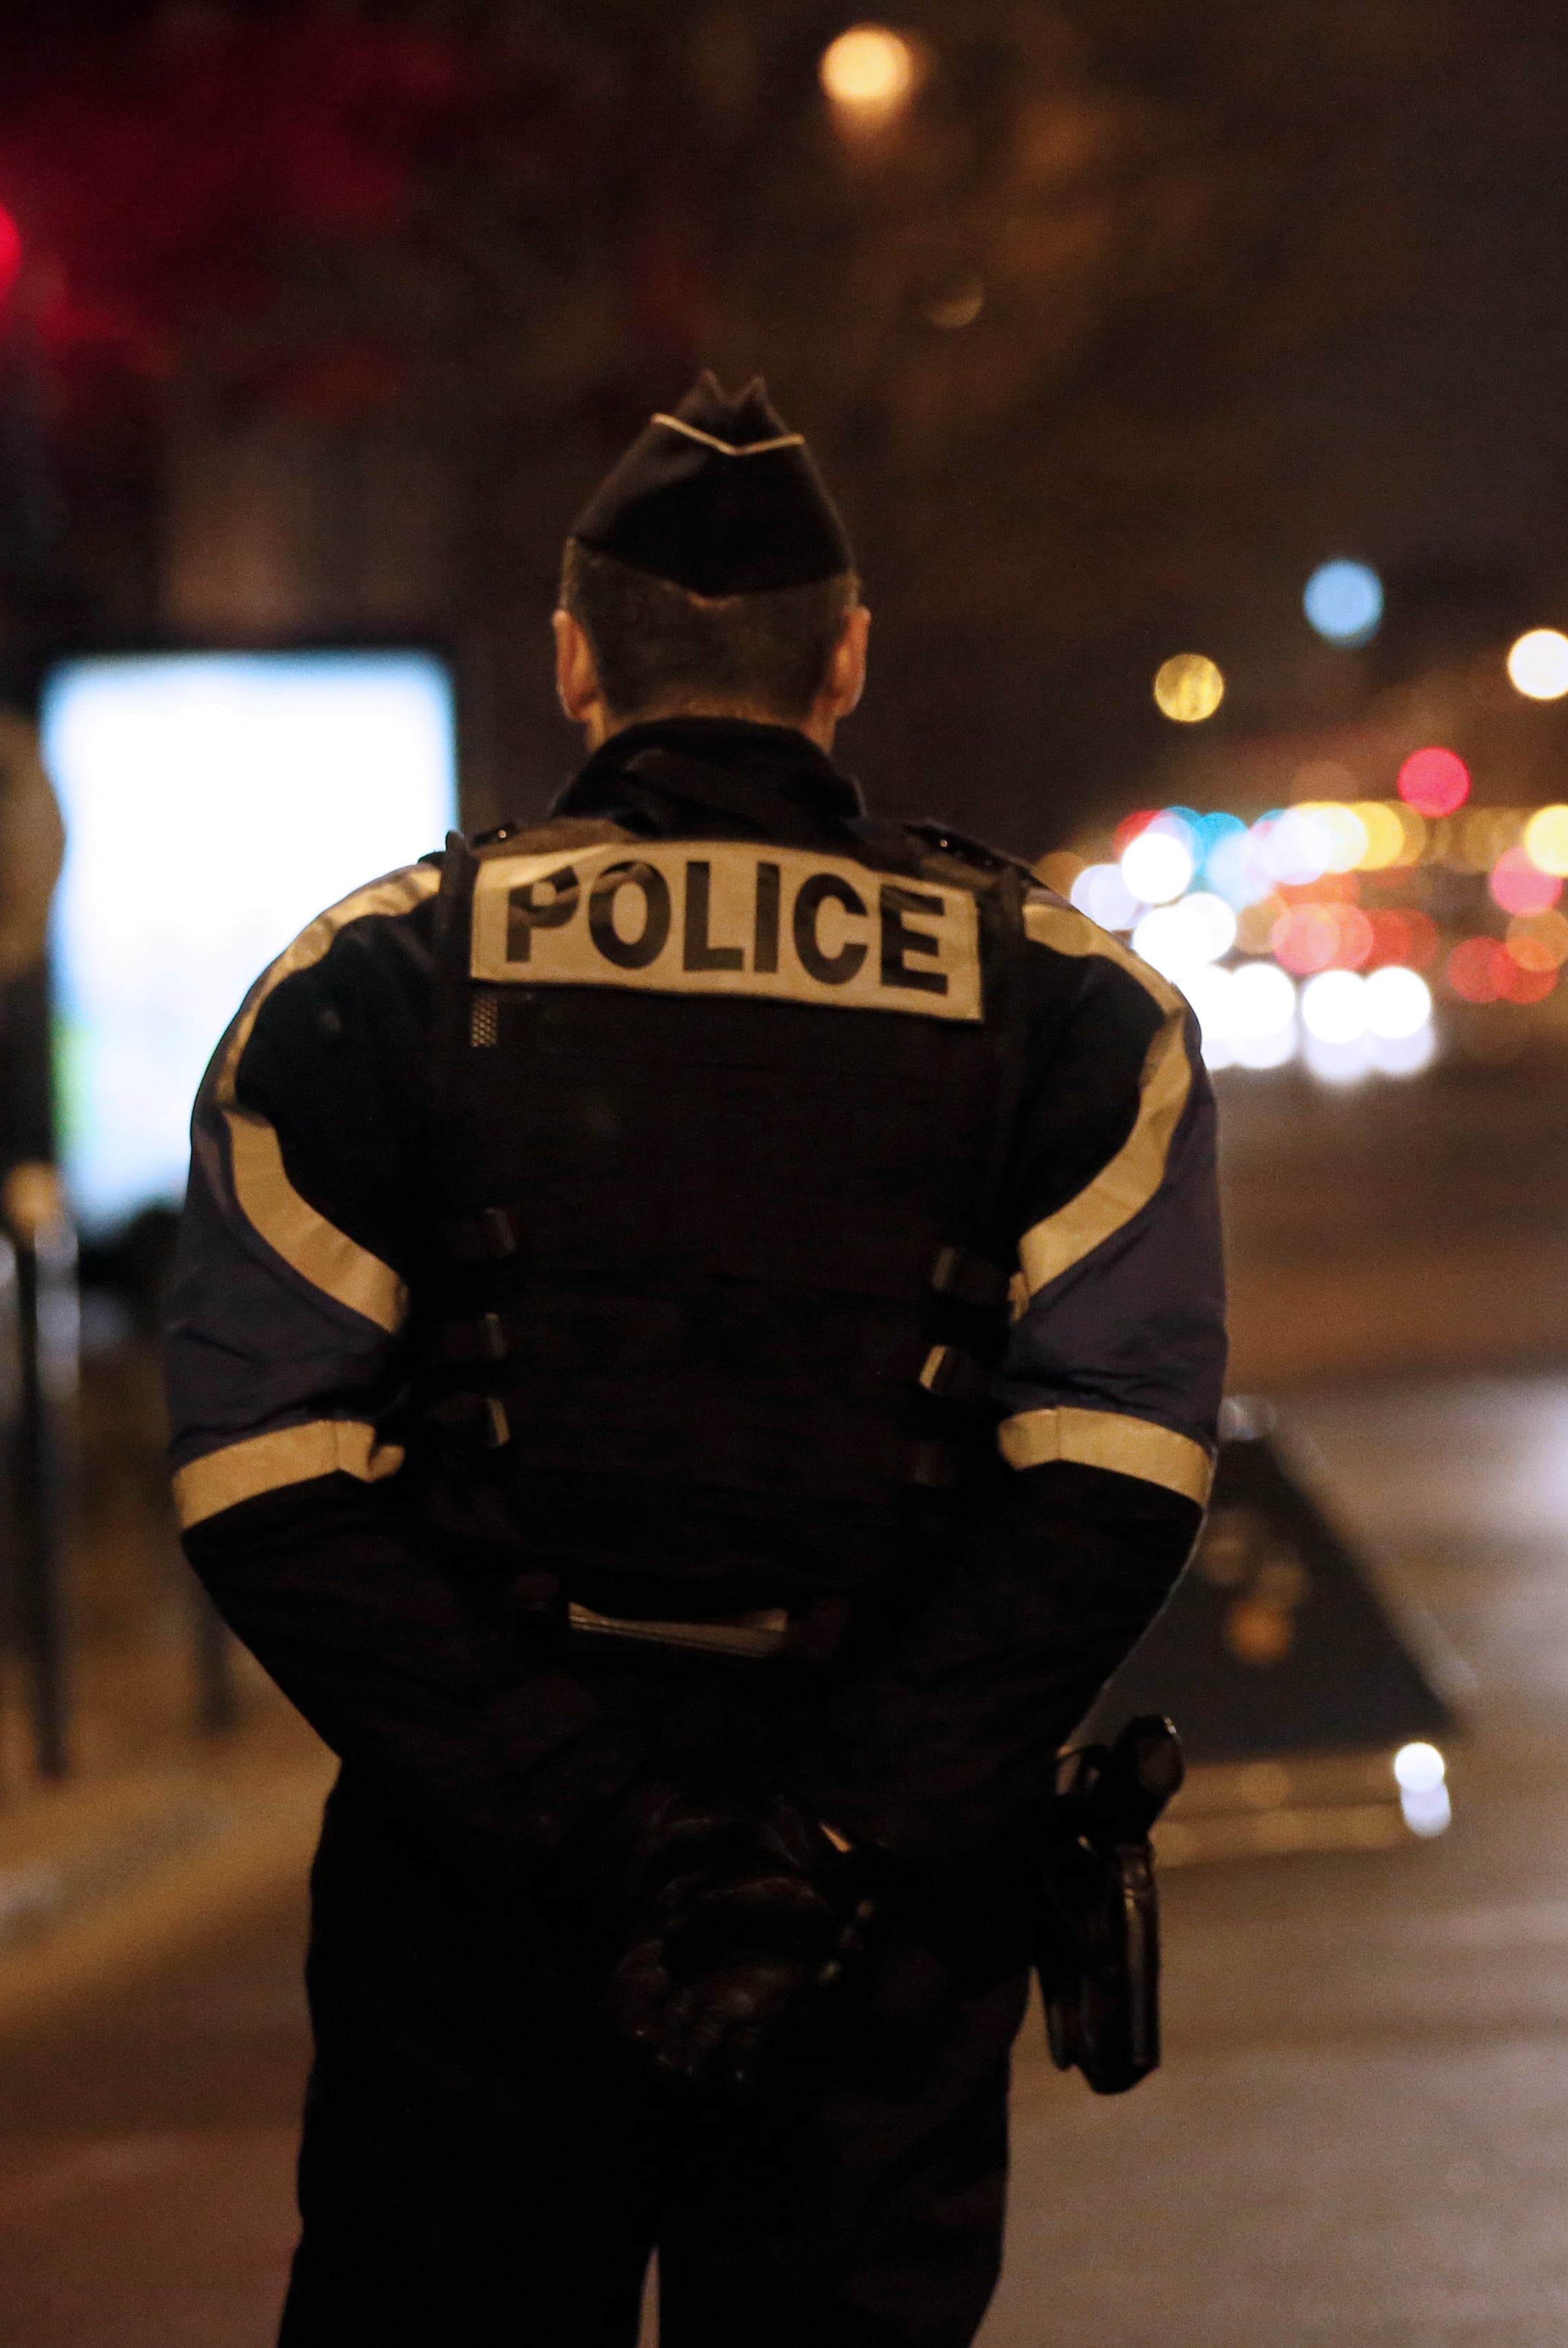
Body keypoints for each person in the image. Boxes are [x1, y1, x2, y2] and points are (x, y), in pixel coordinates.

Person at [165, 373, 1224, 2347]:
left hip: (477, 1920)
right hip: (880, 1945)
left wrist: (590, 1825)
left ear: (575, 659)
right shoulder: (1076, 1010)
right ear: (848, 660)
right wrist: (835, 1839)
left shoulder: (368, 985)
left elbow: (263, 1469)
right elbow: (1114, 1478)